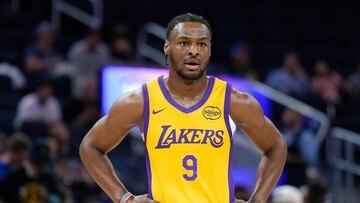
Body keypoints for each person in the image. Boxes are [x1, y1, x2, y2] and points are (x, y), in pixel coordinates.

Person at [80, 13, 287, 203]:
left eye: (202, 44)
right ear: (167, 47)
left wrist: (258, 199)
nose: (194, 51)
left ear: (209, 49)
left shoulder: (234, 101)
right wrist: (124, 198)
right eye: (184, 43)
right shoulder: (140, 101)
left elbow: (276, 145)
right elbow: (90, 146)